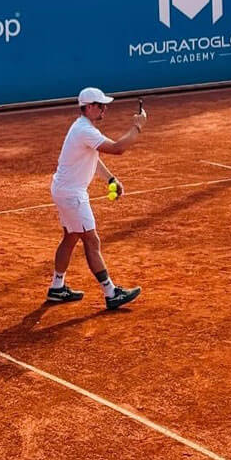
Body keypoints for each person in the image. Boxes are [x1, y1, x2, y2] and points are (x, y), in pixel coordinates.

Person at [47, 87, 147, 309]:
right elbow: (118, 148)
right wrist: (137, 126)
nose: (105, 109)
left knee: (71, 237)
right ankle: (111, 293)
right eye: (101, 106)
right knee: (92, 241)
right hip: (72, 194)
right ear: (90, 107)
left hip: (64, 190)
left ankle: (57, 287)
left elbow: (94, 157)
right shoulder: (84, 130)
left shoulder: (83, 128)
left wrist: (110, 178)